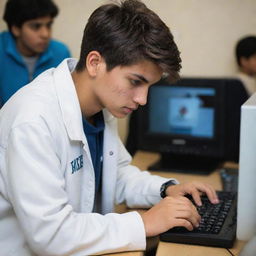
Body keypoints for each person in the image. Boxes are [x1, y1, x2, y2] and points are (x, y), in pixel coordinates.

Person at [0, 0, 219, 255]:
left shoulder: (101, 106)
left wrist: (165, 189)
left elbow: (117, 175)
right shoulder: (32, 122)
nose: (142, 100)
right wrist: (144, 222)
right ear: (95, 63)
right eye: (135, 81)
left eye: (149, 86)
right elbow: (51, 234)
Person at [0, 0, 71, 106]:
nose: (45, 34)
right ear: (15, 29)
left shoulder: (61, 53)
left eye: (48, 25)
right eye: (36, 26)